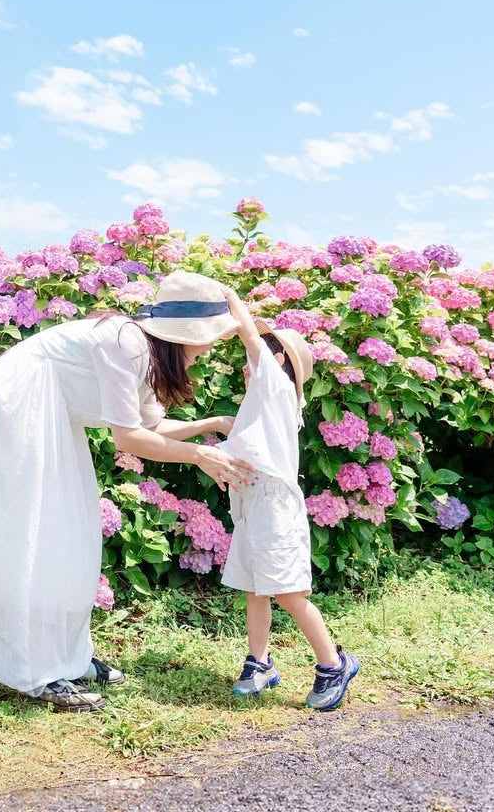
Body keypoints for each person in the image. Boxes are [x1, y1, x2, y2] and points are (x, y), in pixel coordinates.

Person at [0, 272, 257, 711]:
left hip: (49, 416)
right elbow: (128, 440)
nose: (209, 348)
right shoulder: (126, 342)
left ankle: (63, 656)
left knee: (68, 533)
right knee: (33, 532)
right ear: (181, 335)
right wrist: (200, 456)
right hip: (15, 407)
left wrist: (210, 427)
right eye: (207, 339)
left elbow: (150, 427)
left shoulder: (147, 355)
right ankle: (35, 670)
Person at [216, 285, 360, 711]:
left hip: (275, 509)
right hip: (253, 506)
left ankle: (334, 664)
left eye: (259, 353)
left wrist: (227, 295)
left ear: (278, 361)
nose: (248, 361)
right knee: (255, 589)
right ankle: (259, 662)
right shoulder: (262, 403)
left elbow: (248, 334)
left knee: (288, 592)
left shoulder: (276, 388)